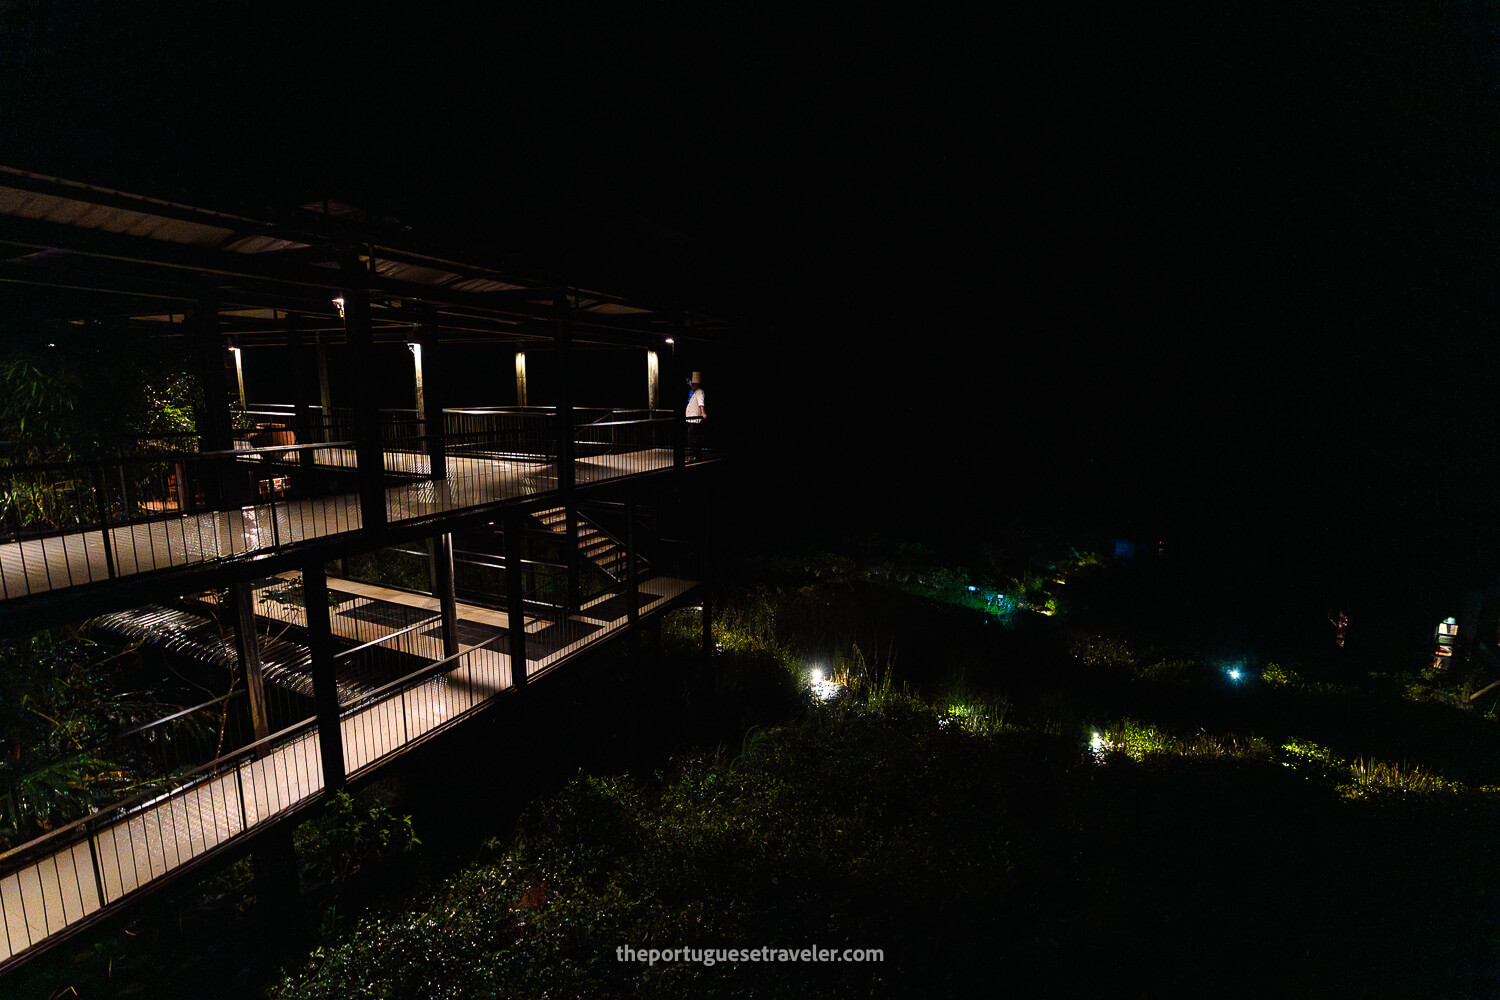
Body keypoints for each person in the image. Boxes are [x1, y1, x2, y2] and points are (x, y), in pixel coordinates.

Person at [684, 372, 706, 458]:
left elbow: (701, 403)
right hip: (690, 419)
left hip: (694, 420)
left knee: (693, 439)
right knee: (691, 438)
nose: (691, 386)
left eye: (693, 384)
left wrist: (703, 412)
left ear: (696, 385)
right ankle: (694, 453)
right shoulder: (695, 392)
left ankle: (696, 455)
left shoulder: (700, 392)